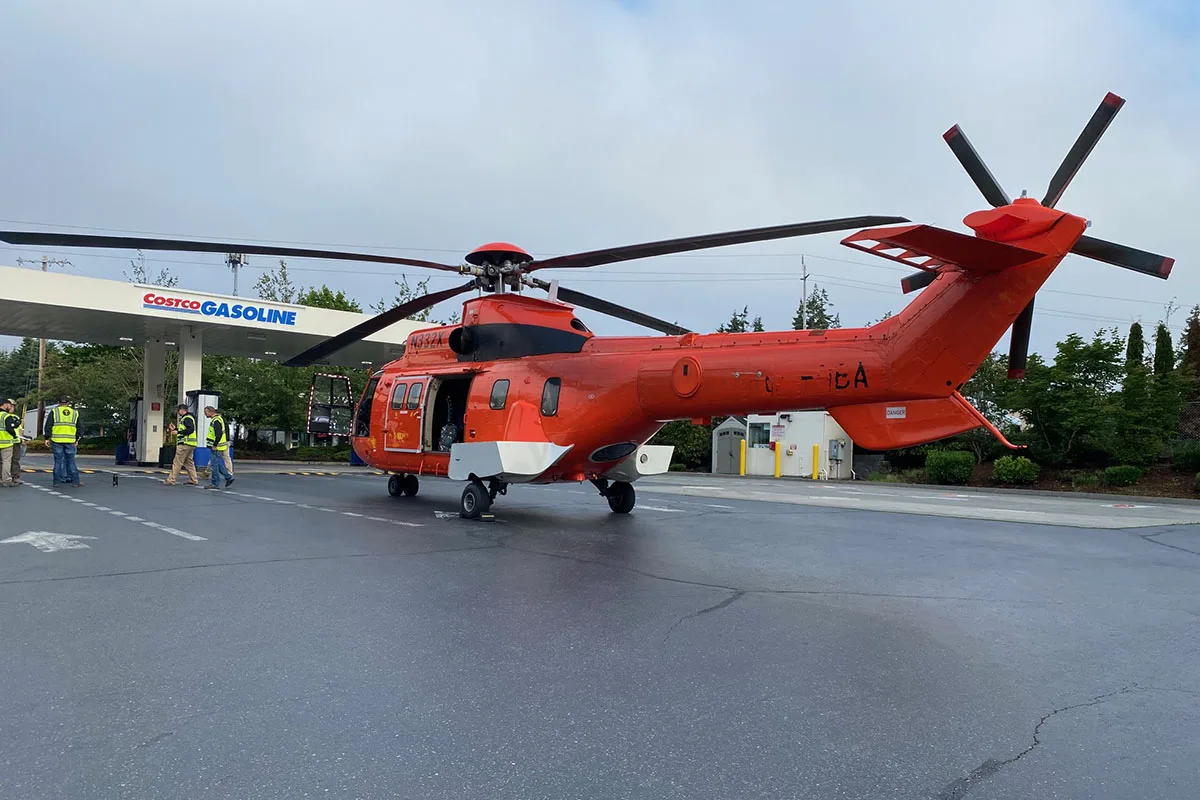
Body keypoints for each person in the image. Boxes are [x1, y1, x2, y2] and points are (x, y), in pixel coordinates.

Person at [44, 395, 81, 487]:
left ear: (58, 402)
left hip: (57, 440)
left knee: (58, 461)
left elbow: (48, 425)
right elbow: (79, 427)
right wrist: (77, 439)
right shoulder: (74, 413)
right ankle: (75, 482)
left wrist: (47, 438)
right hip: (70, 440)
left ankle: (56, 482)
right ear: (68, 403)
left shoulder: (54, 411)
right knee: (71, 461)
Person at [163, 404, 199, 486]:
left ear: (182, 410)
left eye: (178, 410)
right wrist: (175, 429)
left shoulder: (187, 418)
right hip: (190, 444)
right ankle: (193, 479)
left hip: (184, 444)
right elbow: (187, 429)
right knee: (189, 463)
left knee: (177, 462)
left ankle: (171, 479)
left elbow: (190, 430)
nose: (177, 412)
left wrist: (178, 432)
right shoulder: (189, 418)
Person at [203, 405, 233, 489]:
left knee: (214, 466)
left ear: (210, 412)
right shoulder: (218, 419)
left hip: (217, 447)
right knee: (216, 464)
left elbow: (218, 434)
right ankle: (228, 477)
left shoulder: (216, 421)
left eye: (205, 412)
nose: (205, 414)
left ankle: (215, 483)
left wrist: (215, 445)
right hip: (219, 446)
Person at [0, 399, 18, 488]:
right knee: (6, 462)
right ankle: (6, 480)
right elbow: (10, 428)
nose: (9, 407)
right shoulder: (6, 416)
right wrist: (14, 435)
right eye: (8, 405)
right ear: (4, 404)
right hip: (6, 442)